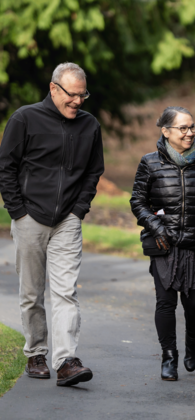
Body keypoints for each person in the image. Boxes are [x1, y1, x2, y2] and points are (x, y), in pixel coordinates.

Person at [0, 63, 103, 386]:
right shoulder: (25, 119)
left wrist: (78, 211)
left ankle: (66, 361)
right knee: (32, 292)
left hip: (67, 222)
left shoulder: (89, 126)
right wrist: (18, 211)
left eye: (83, 94)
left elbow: (93, 171)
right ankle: (36, 353)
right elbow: (6, 167)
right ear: (54, 88)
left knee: (65, 292)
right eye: (72, 94)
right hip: (29, 217)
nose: (78, 101)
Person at [130, 106, 195, 381]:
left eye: (192, 127)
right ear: (166, 131)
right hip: (165, 243)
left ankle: (193, 340)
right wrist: (156, 226)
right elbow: (137, 202)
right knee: (165, 303)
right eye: (183, 128)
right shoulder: (150, 162)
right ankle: (169, 356)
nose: (189, 133)